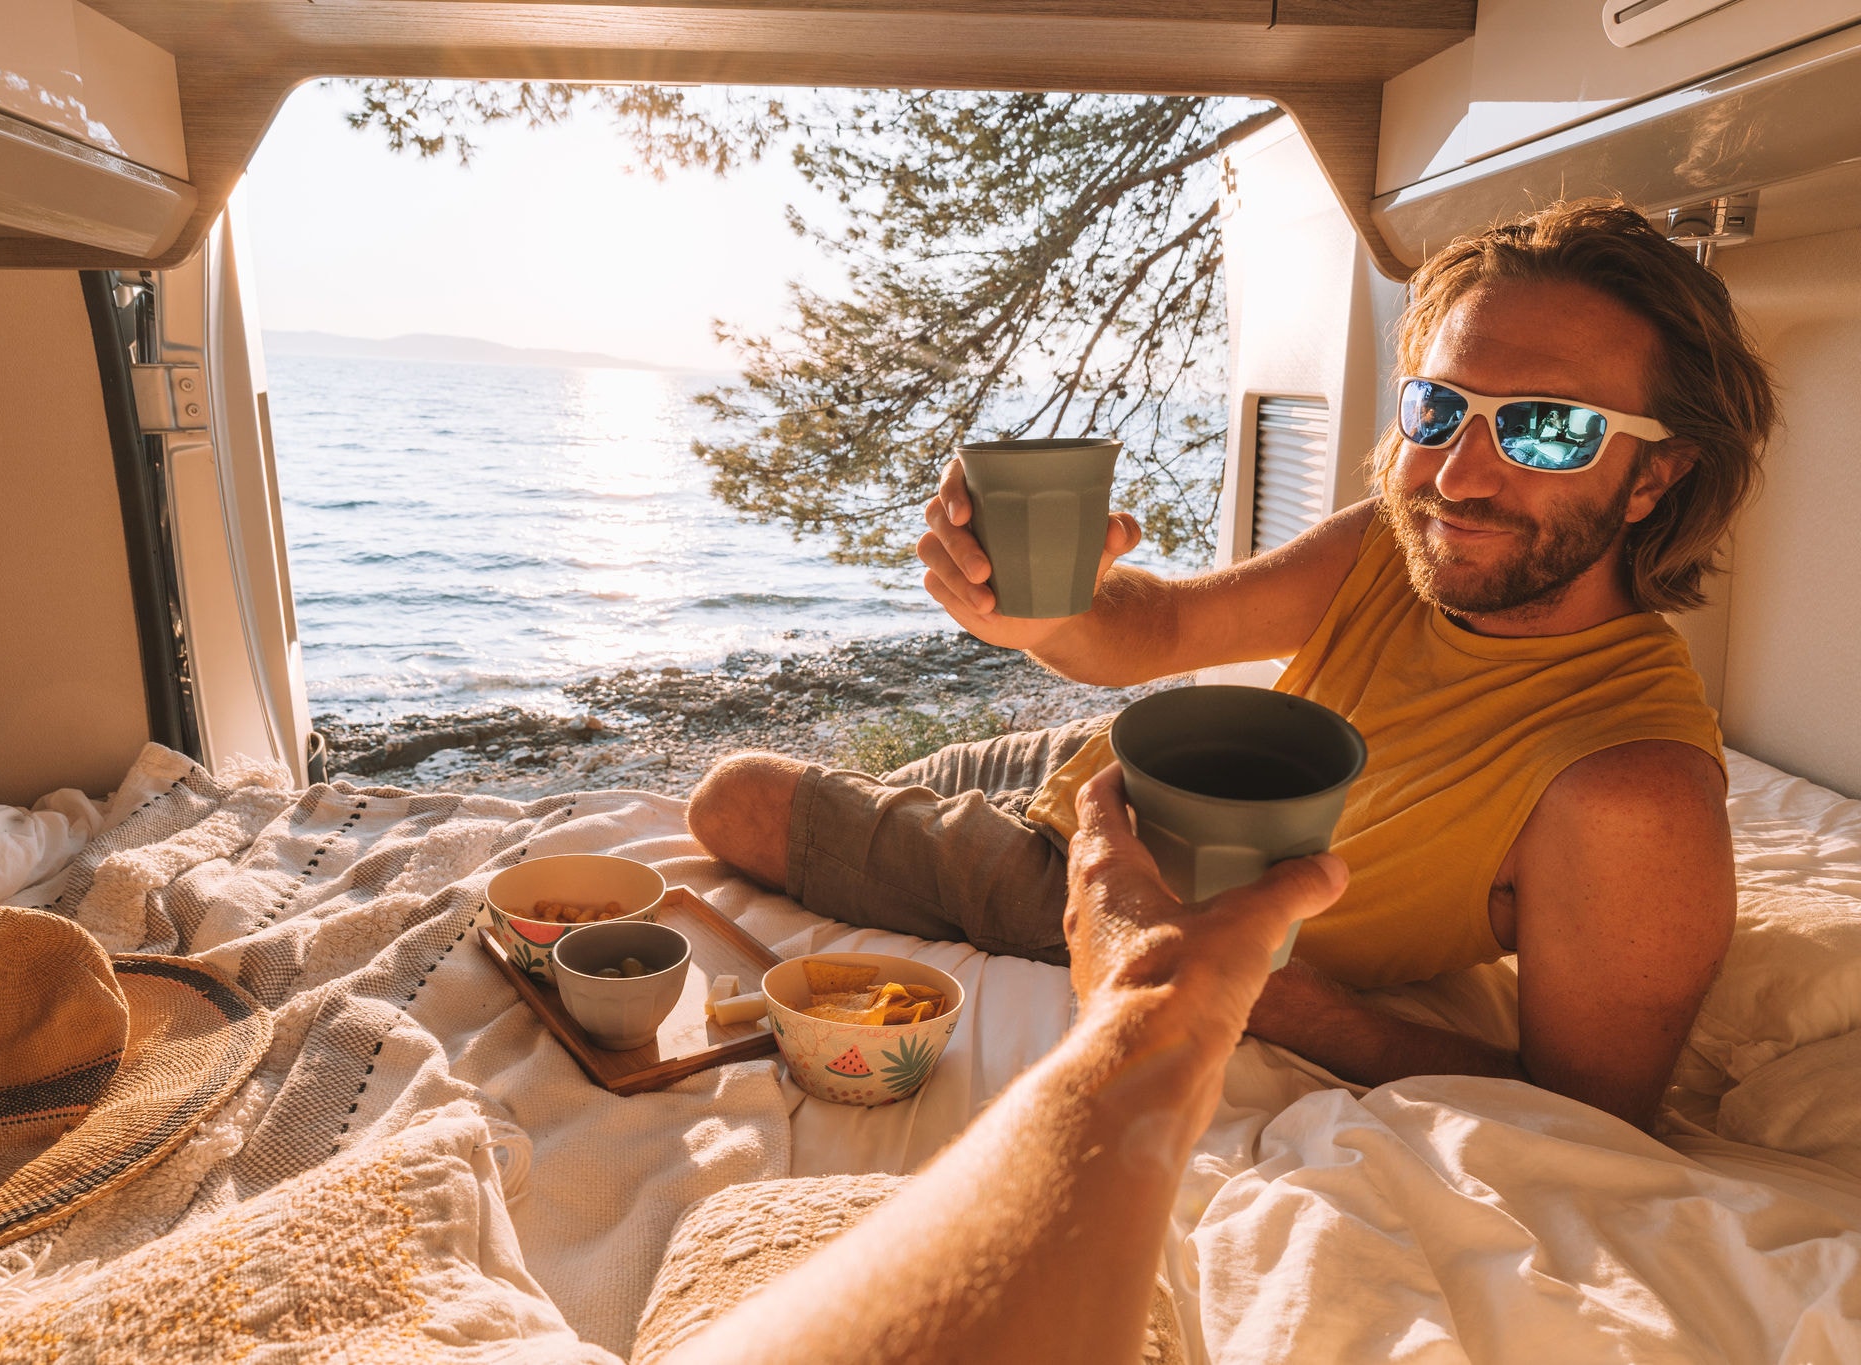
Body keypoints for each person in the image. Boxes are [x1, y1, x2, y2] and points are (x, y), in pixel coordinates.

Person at [687, 199, 1780, 1131]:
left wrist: (1264, 990)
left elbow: (1592, 1111)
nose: (1455, 479)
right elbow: (1155, 631)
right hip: (1104, 765)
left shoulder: (1630, 788)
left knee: (733, 801)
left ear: (1654, 478)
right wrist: (1033, 608)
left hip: (1122, 878)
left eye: (1546, 431)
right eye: (1438, 409)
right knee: (844, 796)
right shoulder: (1391, 546)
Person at [675, 766, 1348, 1365]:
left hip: (1117, 887)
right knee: (743, 794)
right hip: (1078, 776)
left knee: (738, 798)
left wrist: (1155, 1008)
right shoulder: (1376, 619)